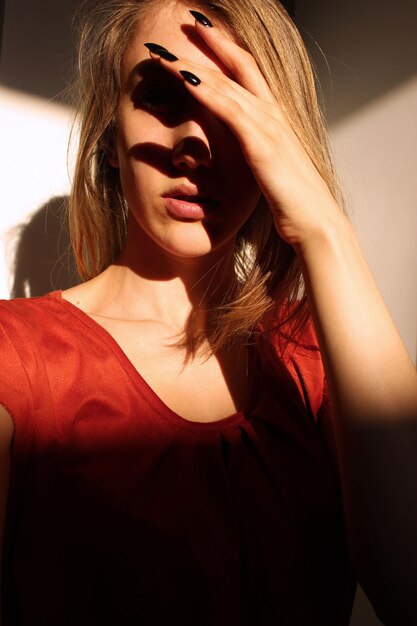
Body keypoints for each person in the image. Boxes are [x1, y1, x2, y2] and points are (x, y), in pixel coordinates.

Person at [1, 0, 416, 624]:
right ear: (109, 140)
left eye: (233, 106)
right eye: (164, 96)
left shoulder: (316, 351)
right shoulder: (18, 357)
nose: (195, 141)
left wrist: (325, 228)